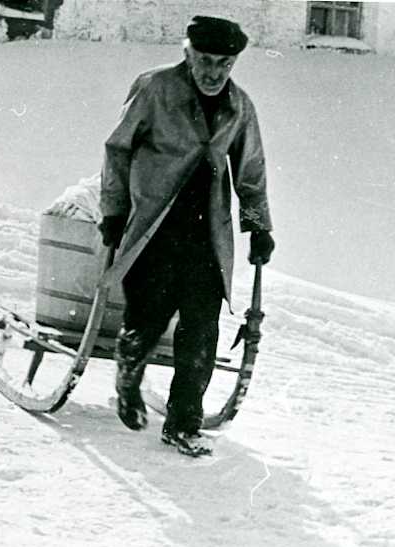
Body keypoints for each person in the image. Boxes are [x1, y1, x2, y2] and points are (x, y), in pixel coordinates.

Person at [98, 15, 275, 457]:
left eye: (225, 64)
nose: (214, 72)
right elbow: (117, 149)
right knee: (148, 318)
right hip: (155, 226)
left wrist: (258, 227)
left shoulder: (239, 106)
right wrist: (114, 211)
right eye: (205, 61)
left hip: (206, 234)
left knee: (201, 328)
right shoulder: (155, 88)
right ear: (188, 54)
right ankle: (128, 375)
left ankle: (183, 423)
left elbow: (250, 173)